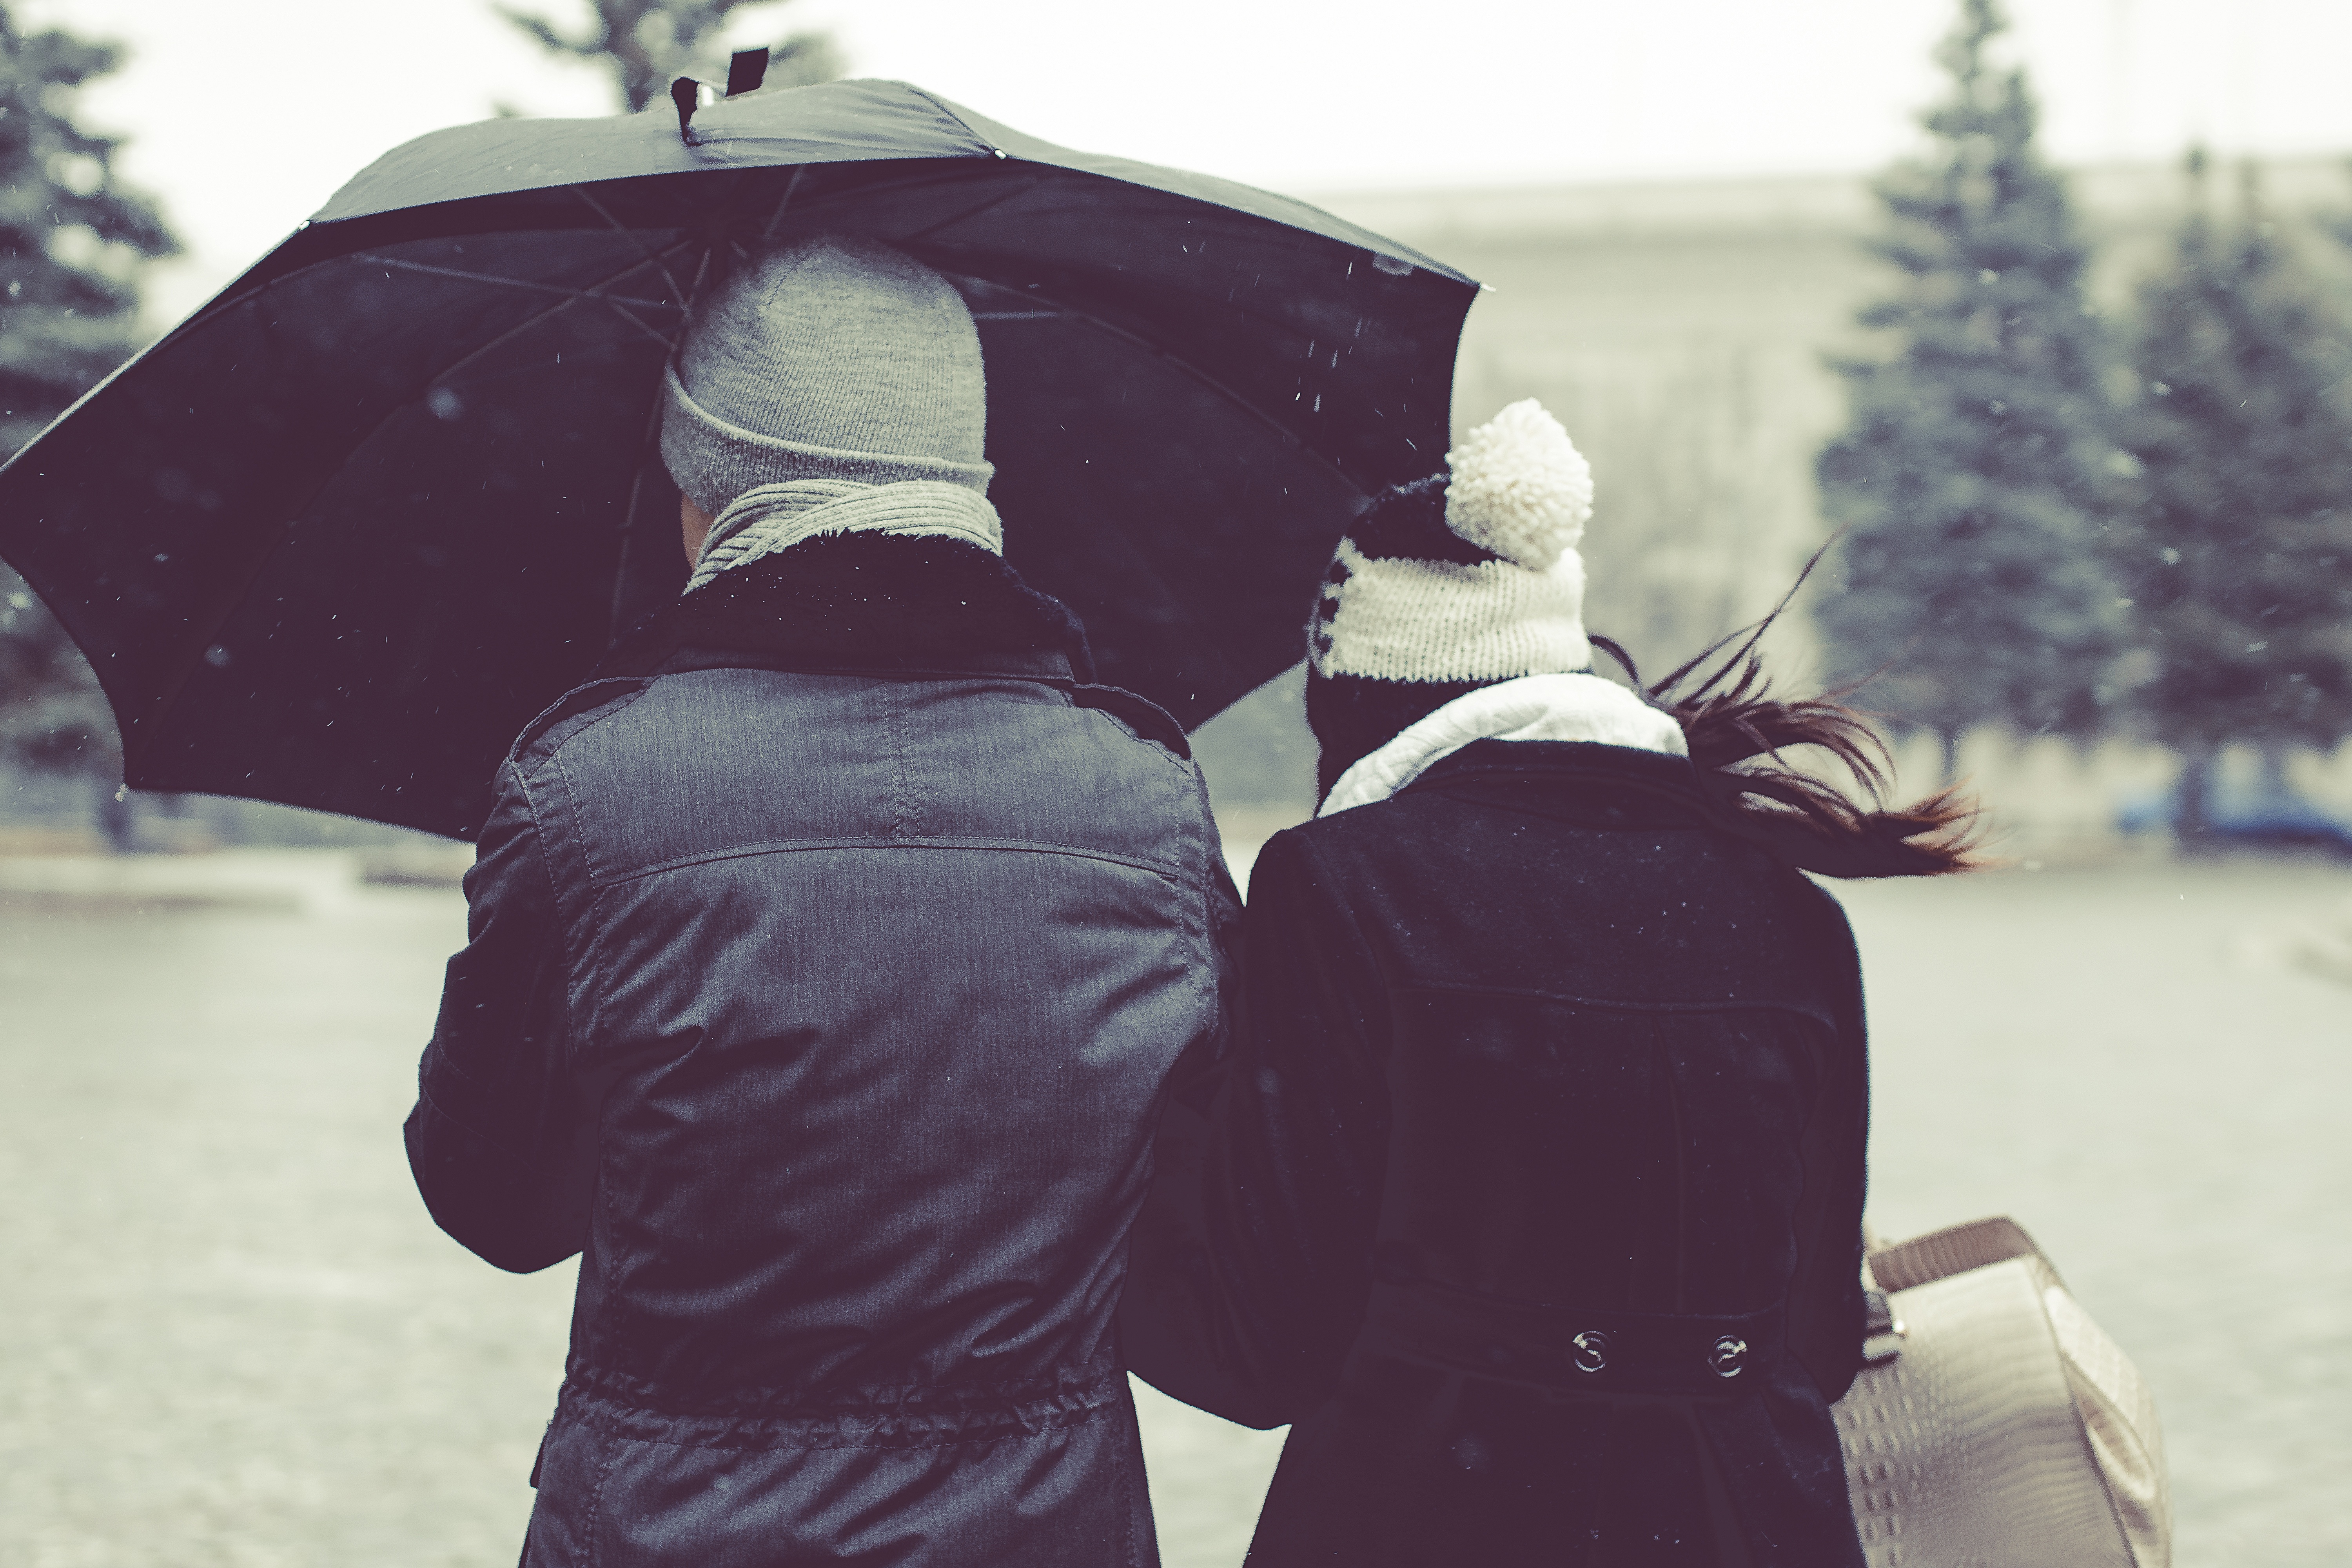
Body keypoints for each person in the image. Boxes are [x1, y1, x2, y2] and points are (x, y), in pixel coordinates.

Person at [404, 234, 1235, 1567]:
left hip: (673, 1529)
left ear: (709, 492)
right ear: (967, 484)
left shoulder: (586, 790)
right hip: (1041, 1529)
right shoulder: (1145, 800)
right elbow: (1209, 1226)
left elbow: (497, 1208)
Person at [1122, 400, 1978, 1566]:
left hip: (1440, 1514)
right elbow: (1819, 1341)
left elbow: (1259, 1346)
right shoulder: (1786, 906)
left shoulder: (1343, 888)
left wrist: (1124, 1161)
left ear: (1359, 699)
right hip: (1756, 1521)